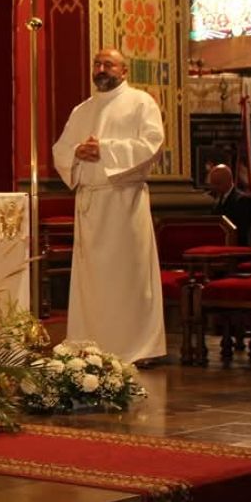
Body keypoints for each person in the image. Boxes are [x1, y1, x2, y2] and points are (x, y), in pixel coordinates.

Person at [52, 48, 167, 365]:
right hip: (91, 204)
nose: (101, 69)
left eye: (109, 64)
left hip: (124, 202)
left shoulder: (141, 103)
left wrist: (104, 149)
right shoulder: (82, 110)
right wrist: (77, 152)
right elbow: (61, 149)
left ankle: (137, 348)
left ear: (124, 71)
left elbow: (152, 144)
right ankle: (90, 347)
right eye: (97, 64)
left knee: (128, 277)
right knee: (92, 284)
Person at [207, 164, 251, 246]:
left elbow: (242, 231)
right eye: (212, 183)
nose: (213, 187)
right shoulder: (213, 199)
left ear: (228, 181)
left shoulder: (242, 200)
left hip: (235, 246)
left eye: (217, 183)